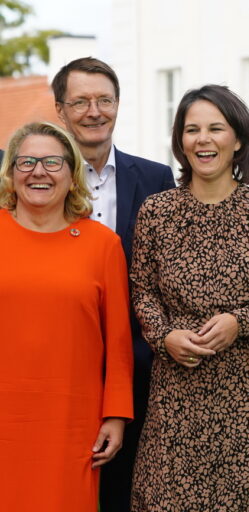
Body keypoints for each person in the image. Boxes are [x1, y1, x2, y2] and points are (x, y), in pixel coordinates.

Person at [128, 84, 249, 511]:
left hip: (248, 394)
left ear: (237, 139)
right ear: (180, 142)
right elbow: (142, 289)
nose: (203, 139)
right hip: (175, 393)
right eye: (192, 129)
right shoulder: (156, 211)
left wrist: (241, 321)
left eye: (215, 128)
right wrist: (164, 336)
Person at [51, 57, 176, 512]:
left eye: (104, 99)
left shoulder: (157, 179)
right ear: (60, 110)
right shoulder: (37, 179)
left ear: (118, 105)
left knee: (126, 489)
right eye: (80, 101)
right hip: (59, 360)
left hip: (139, 364)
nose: (94, 111)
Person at [0, 122, 134, 511]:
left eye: (52, 162)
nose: (38, 171)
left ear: (72, 174)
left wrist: (116, 415)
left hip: (72, 422)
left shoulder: (103, 245)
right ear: (11, 174)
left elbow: (119, 342)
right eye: (26, 161)